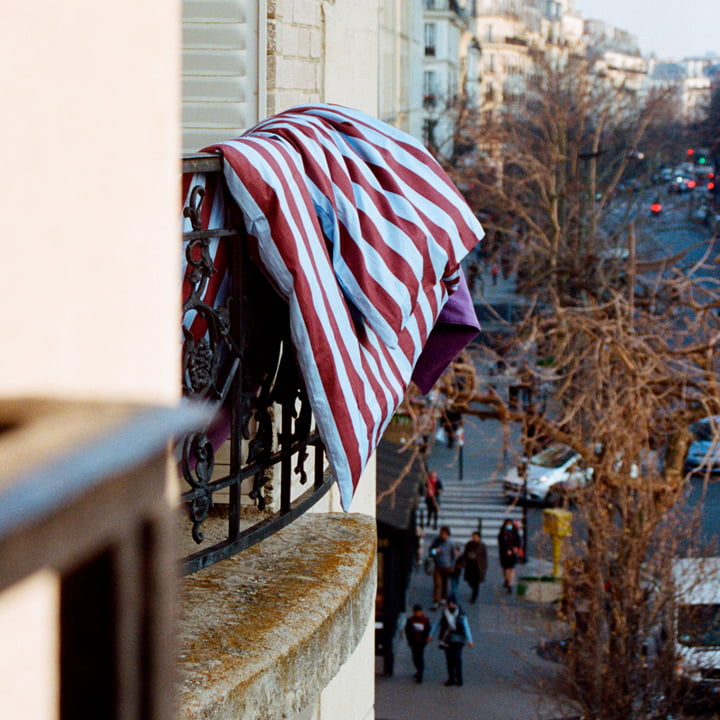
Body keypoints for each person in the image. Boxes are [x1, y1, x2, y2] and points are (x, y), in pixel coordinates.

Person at [428, 594, 473, 686]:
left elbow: (466, 627)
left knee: (457, 659)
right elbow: (436, 624)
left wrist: (469, 640)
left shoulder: (461, 614)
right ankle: (451, 678)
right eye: (450, 604)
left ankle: (459, 679)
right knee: (449, 660)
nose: (451, 605)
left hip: (458, 639)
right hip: (447, 639)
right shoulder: (443, 613)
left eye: (453, 604)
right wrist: (430, 635)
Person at [429, 526, 456, 609]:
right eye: (442, 534)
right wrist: (434, 551)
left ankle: (443, 598)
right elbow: (430, 552)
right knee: (437, 584)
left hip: (446, 566)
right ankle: (436, 601)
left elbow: (453, 555)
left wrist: (452, 566)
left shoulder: (451, 543)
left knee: (445, 583)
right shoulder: (436, 541)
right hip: (437, 566)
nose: (443, 536)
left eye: (445, 534)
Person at [404, 604, 431, 683]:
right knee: (415, 657)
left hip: (421, 642)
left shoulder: (425, 620)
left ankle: (420, 674)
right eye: (416, 612)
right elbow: (407, 630)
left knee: (419, 657)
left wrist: (426, 639)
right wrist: (409, 639)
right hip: (414, 642)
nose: (417, 613)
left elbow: (428, 630)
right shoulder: (411, 620)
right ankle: (418, 670)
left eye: (419, 612)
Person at [461, 531, 488, 603]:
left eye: (476, 537)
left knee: (476, 581)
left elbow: (484, 556)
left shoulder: (482, 546)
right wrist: (463, 561)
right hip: (470, 564)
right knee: (470, 580)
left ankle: (474, 596)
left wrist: (484, 566)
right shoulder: (469, 544)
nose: (474, 538)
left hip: (478, 566)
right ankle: (474, 590)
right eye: (473, 536)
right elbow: (465, 553)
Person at [498, 519, 522, 593]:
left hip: (513, 552)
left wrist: (516, 547)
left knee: (511, 568)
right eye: (507, 524)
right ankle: (507, 580)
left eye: (510, 524)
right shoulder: (502, 533)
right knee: (505, 569)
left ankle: (510, 584)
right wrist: (506, 549)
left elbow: (519, 541)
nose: (509, 526)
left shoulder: (515, 532)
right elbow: (501, 543)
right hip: (504, 553)